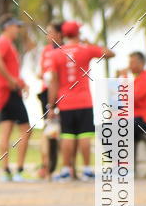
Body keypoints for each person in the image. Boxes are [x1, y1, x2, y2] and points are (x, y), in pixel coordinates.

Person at [48, 20, 115, 180]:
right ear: (78, 33)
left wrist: (51, 106)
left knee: (67, 135)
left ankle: (65, 170)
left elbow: (54, 81)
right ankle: (86, 169)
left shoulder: (56, 53)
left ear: (64, 34)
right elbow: (110, 54)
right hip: (84, 100)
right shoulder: (86, 49)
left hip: (65, 101)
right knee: (84, 134)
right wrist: (89, 43)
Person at [0, 14, 32, 182]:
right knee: (26, 129)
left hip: (6, 93)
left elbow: (12, 70)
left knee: (6, 131)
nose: (18, 30)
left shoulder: (9, 44)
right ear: (8, 27)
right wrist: (11, 80)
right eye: (16, 26)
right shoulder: (3, 42)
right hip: (9, 93)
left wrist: (21, 82)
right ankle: (18, 170)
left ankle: (6, 172)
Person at [36, 21, 63, 178]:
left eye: (50, 32)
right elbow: (43, 72)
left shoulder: (65, 50)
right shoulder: (46, 51)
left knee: (62, 132)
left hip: (64, 95)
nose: (48, 36)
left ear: (59, 34)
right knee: (48, 131)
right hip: (47, 95)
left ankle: (63, 166)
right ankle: (45, 166)